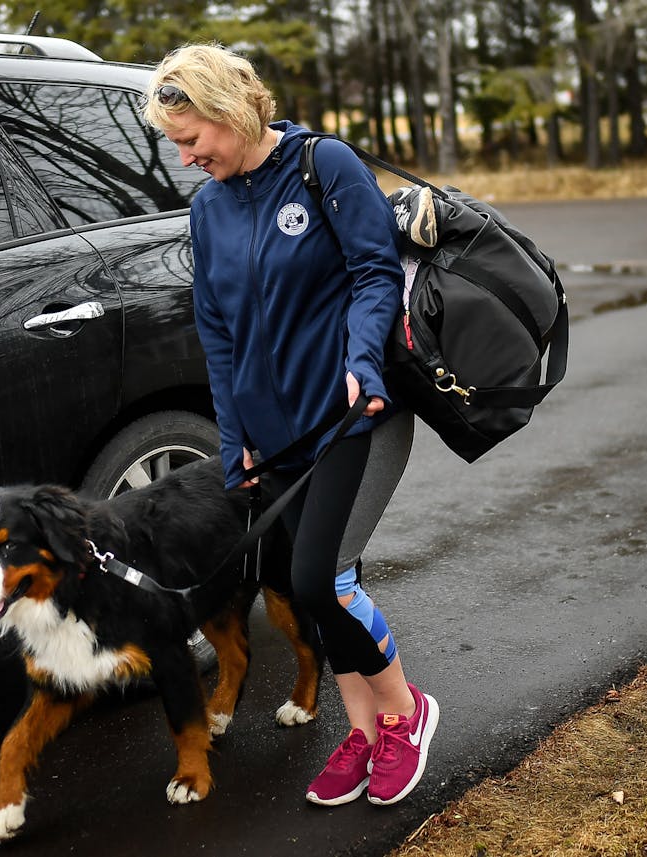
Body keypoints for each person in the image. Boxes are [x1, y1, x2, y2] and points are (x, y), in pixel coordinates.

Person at [143, 44, 438, 807]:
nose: (185, 158)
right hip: (273, 436)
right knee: (320, 592)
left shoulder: (324, 166)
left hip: (352, 413)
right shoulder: (208, 207)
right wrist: (234, 434)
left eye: (191, 139)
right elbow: (216, 329)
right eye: (175, 145)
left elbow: (375, 274)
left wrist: (363, 360)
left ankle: (407, 713)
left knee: (320, 577)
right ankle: (365, 730)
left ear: (229, 111)